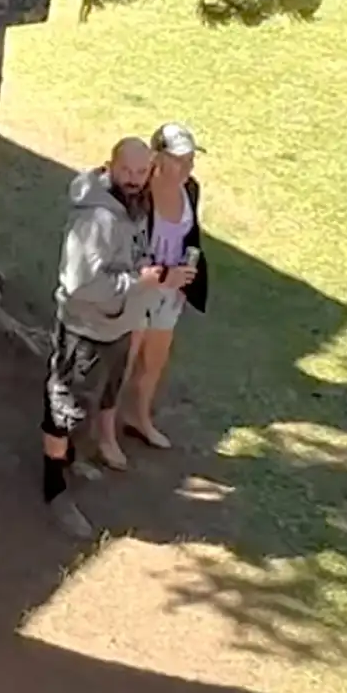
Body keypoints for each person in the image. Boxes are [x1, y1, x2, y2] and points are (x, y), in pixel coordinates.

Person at [41, 139, 193, 535]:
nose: (134, 179)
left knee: (100, 395)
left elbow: (132, 258)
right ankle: (53, 487)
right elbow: (81, 286)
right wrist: (146, 280)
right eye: (127, 170)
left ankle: (71, 460)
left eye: (142, 172)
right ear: (111, 165)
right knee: (65, 405)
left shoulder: (133, 205)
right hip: (86, 328)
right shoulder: (96, 219)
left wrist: (157, 273)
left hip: (119, 326)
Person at [122, 123, 209, 449]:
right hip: (140, 286)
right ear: (157, 157)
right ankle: (102, 431)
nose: (187, 167)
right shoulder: (138, 189)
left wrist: (188, 274)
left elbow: (191, 233)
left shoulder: (191, 189)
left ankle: (139, 417)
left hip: (171, 292)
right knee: (125, 360)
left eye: (190, 159)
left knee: (154, 362)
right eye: (179, 159)